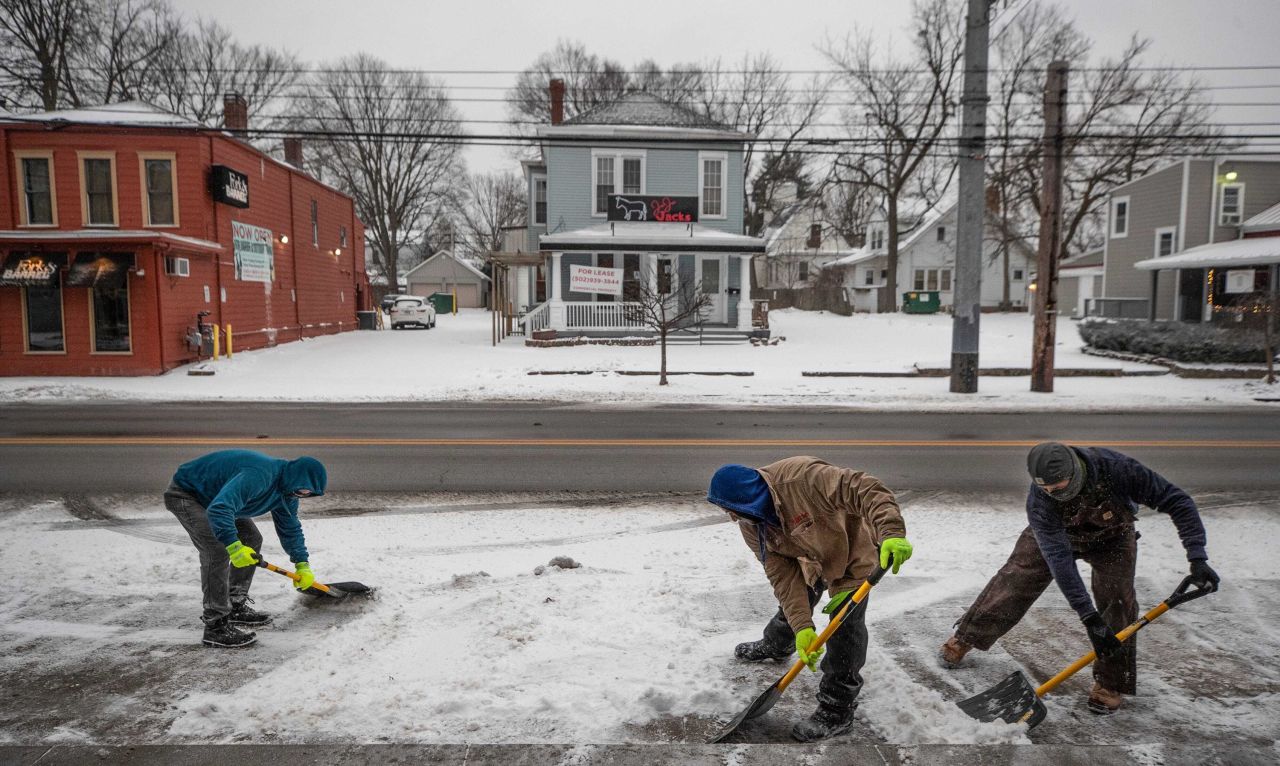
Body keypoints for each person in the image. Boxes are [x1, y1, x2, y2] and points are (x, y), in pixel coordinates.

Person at [940, 442, 1219, 714]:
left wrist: (1197, 557)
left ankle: (1110, 683)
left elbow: (1177, 501)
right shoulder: (1040, 501)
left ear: (1074, 472)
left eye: (1057, 487)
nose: (1051, 492)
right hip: (1057, 538)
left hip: (1113, 535)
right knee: (1016, 580)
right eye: (1045, 488)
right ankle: (968, 635)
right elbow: (1059, 561)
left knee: (1118, 601)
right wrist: (1088, 617)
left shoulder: (1118, 470)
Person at [707, 456, 914, 742]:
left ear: (750, 498)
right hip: (811, 559)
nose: (731, 518)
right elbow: (783, 578)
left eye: (732, 510)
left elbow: (864, 487)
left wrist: (891, 532)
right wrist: (803, 627)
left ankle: (837, 710)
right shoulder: (752, 525)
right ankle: (780, 643)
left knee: (844, 630)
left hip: (852, 555)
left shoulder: (803, 479)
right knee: (794, 603)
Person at [163, 449, 327, 648]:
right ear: (295, 477)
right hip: (189, 494)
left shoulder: (288, 493)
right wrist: (233, 547)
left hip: (218, 497)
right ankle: (215, 626)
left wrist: (302, 563)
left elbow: (290, 528)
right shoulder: (259, 476)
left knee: (251, 538)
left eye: (307, 493)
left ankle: (235, 603)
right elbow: (220, 509)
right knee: (217, 550)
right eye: (303, 489)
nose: (302, 495)